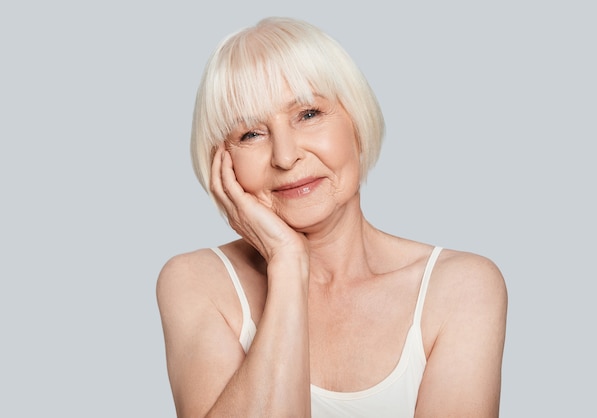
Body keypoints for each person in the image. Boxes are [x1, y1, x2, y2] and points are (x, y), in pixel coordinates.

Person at [157, 16, 508, 418]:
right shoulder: (197, 282)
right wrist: (287, 264)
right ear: (223, 161)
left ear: (356, 123)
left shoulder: (460, 287)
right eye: (250, 134)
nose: (286, 156)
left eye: (308, 114)